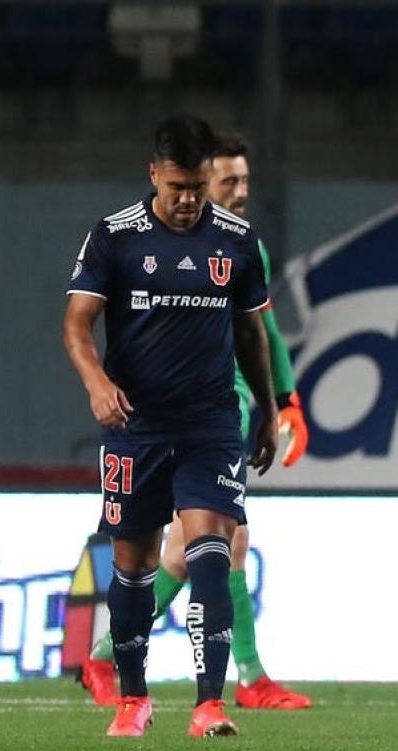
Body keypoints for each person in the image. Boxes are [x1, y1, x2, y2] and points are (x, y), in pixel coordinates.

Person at [77, 132, 312, 711]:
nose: (239, 191)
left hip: (221, 408)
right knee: (207, 545)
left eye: (242, 181)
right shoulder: (130, 238)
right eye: (229, 181)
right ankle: (235, 675)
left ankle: (128, 662)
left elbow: (263, 332)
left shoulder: (242, 246)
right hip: (165, 414)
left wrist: (284, 402)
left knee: (207, 546)